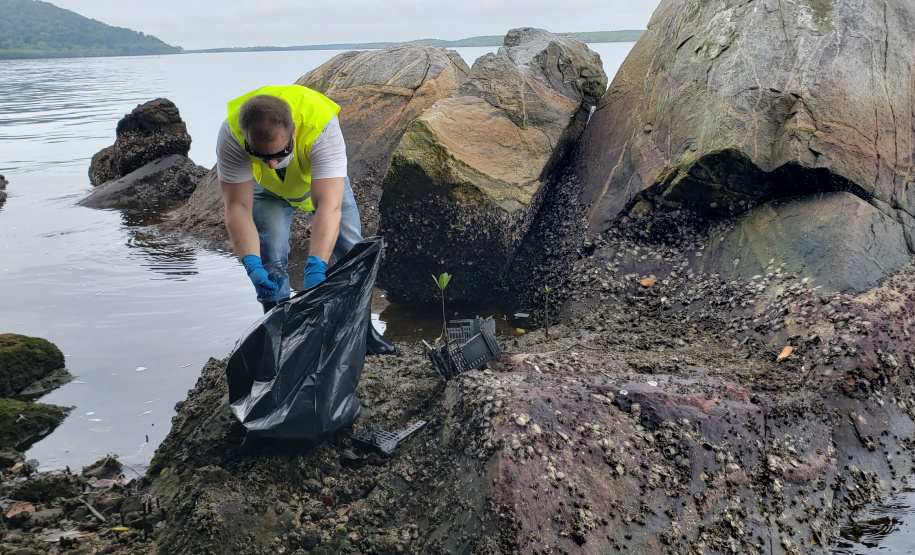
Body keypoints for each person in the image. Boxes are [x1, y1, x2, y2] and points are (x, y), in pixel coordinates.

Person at [216, 84, 396, 355]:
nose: (272, 164)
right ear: (245, 136)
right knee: (270, 258)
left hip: (322, 182)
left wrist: (315, 266)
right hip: (269, 190)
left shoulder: (321, 126)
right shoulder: (231, 134)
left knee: (352, 251)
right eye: (261, 156)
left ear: (294, 133)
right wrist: (250, 263)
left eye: (278, 154)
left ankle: (364, 332)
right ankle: (277, 340)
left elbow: (329, 206)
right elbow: (238, 207)